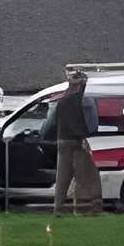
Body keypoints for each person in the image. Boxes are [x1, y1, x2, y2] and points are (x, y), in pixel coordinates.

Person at [50, 68, 101, 217]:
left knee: (62, 176)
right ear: (82, 85)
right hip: (78, 141)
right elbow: (90, 123)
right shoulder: (85, 100)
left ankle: (58, 209)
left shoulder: (62, 101)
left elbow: (53, 122)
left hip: (62, 141)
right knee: (89, 175)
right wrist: (85, 137)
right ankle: (91, 209)